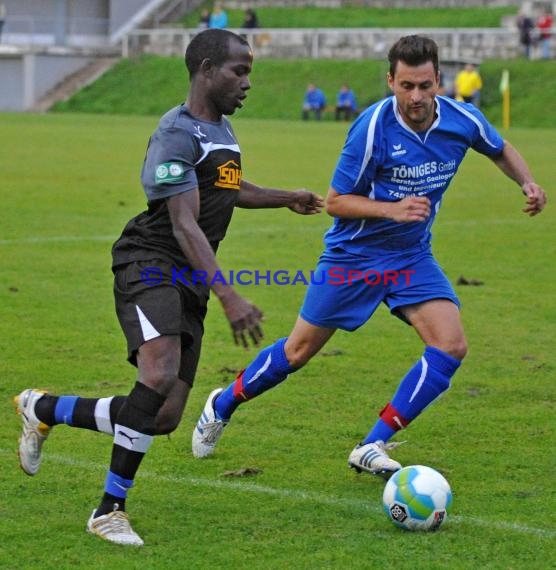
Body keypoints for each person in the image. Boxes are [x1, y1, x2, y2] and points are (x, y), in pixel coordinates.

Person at [14, 29, 323, 547]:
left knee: (161, 417)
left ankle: (43, 409)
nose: (247, 83)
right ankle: (108, 511)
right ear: (205, 69)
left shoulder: (221, 129)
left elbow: (231, 186)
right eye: (238, 71)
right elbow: (183, 223)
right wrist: (229, 295)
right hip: (150, 262)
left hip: (188, 279)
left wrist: (286, 196)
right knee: (155, 376)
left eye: (250, 72)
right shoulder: (175, 134)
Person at [192, 35, 547, 479]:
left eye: (424, 85)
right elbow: (337, 202)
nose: (415, 97)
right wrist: (393, 210)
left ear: (439, 80)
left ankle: (372, 443)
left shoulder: (461, 118)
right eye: (405, 86)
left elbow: (499, 148)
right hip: (353, 258)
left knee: (450, 344)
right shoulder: (371, 128)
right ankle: (222, 403)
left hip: (411, 257)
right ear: (390, 82)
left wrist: (527, 183)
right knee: (298, 352)